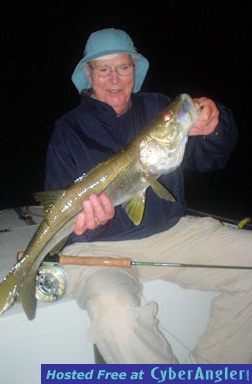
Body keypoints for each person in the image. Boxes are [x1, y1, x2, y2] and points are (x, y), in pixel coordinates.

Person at [45, 28, 252, 364]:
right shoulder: (69, 130)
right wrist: (91, 224)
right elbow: (65, 214)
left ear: (135, 69)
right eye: (103, 69)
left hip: (171, 232)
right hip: (98, 247)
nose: (114, 79)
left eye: (123, 67)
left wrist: (216, 126)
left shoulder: (158, 108)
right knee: (115, 316)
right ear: (88, 74)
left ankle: (212, 368)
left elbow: (209, 157)